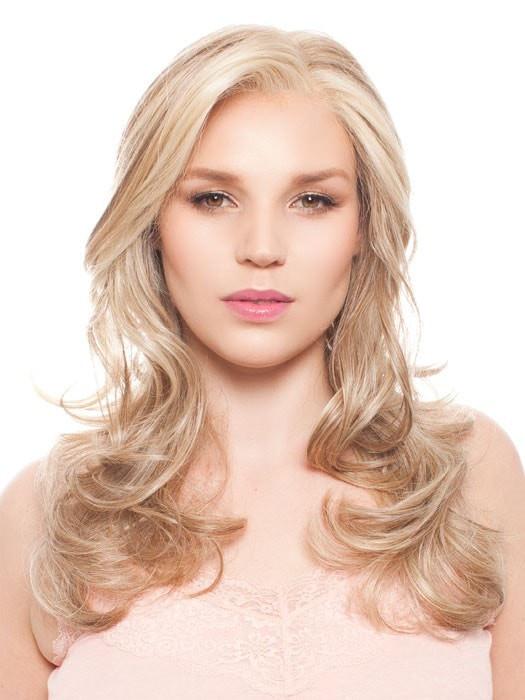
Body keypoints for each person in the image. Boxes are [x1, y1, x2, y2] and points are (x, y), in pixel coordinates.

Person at [1, 23, 523, 700]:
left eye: (312, 201)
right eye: (212, 198)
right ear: (152, 221)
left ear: (363, 227)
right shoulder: (49, 514)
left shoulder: (468, 475)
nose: (262, 247)